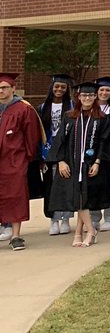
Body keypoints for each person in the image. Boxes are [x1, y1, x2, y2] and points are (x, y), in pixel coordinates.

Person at [46, 82, 110, 247]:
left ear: (95, 96)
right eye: (84, 95)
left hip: (90, 165)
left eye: (90, 95)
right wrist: (60, 161)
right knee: (78, 199)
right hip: (72, 165)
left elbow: (105, 142)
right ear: (79, 97)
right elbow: (60, 140)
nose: (87, 98)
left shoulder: (101, 118)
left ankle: (81, 232)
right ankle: (89, 231)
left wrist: (98, 162)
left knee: (83, 199)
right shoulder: (70, 116)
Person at [0, 73, 45, 251]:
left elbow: (31, 138)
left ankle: (16, 236)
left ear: (12, 89)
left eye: (4, 87)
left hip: (14, 161)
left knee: (16, 196)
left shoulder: (23, 109)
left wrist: (24, 160)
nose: (1, 91)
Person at [36, 73, 74, 235]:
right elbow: (39, 134)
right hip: (48, 152)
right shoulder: (42, 107)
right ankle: (53, 219)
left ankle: (66, 219)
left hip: (67, 151)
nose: (59, 89)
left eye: (63, 87)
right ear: (51, 88)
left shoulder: (73, 106)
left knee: (66, 185)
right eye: (56, 86)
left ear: (67, 89)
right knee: (50, 187)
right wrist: (40, 157)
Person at [90, 77, 110, 231]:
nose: (104, 92)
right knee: (93, 186)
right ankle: (94, 218)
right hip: (92, 154)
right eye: (101, 90)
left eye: (107, 90)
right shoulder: (89, 108)